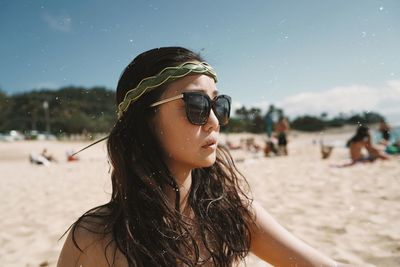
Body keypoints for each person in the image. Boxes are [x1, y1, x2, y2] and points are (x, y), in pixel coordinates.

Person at [57, 47, 349, 267]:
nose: (214, 121)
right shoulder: (94, 239)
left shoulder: (231, 212)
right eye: (196, 104)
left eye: (219, 105)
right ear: (145, 120)